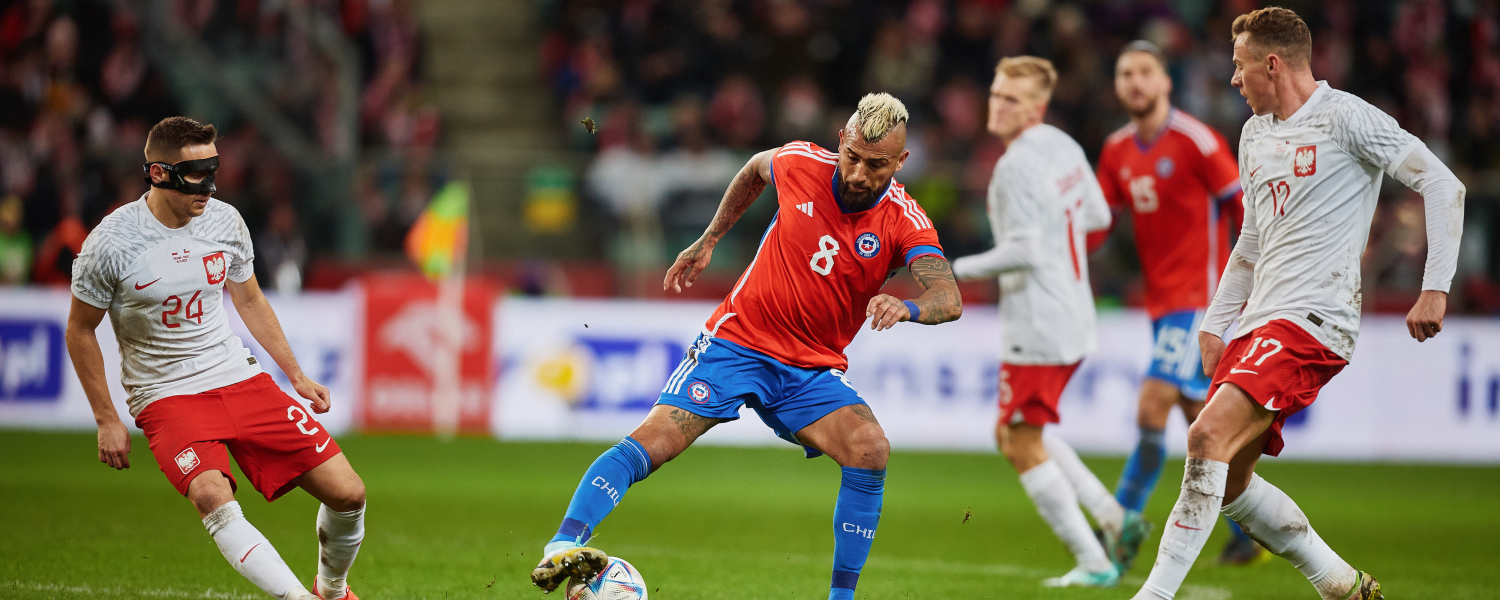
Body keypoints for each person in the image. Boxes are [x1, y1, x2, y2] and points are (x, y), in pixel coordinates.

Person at [529, 93, 963, 600]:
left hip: (809, 369)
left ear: (901, 161)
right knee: (657, 440)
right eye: (854, 158)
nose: (861, 174)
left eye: (878, 165)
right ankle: (561, 545)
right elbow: (756, 170)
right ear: (841, 141)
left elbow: (948, 297)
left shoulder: (904, 220)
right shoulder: (801, 162)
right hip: (737, 343)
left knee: (870, 450)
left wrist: (907, 307)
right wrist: (711, 237)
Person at [1128, 8, 1463, 600]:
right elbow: (1251, 241)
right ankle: (1339, 582)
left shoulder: (1346, 118)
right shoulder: (1254, 133)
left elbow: (1442, 184)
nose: (1233, 79)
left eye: (1239, 66)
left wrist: (1434, 286)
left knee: (1204, 438)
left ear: (1272, 64)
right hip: (1260, 320)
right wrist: (1215, 323)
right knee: (1228, 480)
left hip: (1314, 320)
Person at [65, 117, 367, 600]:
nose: (208, 185)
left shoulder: (225, 221)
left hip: (236, 377)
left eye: (213, 170)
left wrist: (296, 375)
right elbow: (80, 330)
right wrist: (106, 418)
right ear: (159, 173)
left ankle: (331, 590)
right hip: (165, 394)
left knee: (350, 493)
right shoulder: (112, 243)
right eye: (195, 174)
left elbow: (249, 301)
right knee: (212, 496)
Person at [1093, 41, 1265, 569]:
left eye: (1145, 72)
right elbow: (1098, 224)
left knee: (1151, 405)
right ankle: (1249, 532)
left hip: (1203, 300)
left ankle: (1118, 531)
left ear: (1166, 81)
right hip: (1162, 304)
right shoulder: (1117, 150)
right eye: (1125, 74)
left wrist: (1250, 282)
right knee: (1201, 420)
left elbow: (1246, 208)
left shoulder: (1196, 141)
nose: (1135, 82)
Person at [952, 56, 1119, 588]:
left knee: (1018, 441)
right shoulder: (1063, 145)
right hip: (1072, 310)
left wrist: (950, 269)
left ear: (1037, 107)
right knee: (1021, 430)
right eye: (997, 93)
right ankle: (1112, 516)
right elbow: (1098, 217)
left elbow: (1022, 249)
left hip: (1038, 321)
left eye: (1012, 99)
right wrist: (1059, 253)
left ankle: (1094, 562)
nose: (997, 105)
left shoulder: (1015, 165)